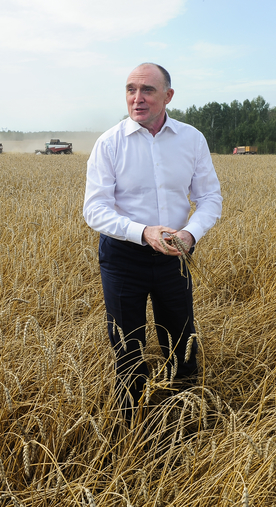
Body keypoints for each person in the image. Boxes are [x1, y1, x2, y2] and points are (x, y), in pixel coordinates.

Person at [83, 63, 222, 425]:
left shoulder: (191, 139)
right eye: (131, 89)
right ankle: (133, 428)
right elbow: (94, 210)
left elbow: (210, 198)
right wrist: (143, 232)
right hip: (122, 256)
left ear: (168, 96)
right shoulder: (109, 143)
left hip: (176, 256)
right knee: (128, 347)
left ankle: (186, 420)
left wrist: (190, 235)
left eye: (147, 90)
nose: (137, 98)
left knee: (181, 340)